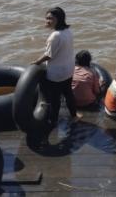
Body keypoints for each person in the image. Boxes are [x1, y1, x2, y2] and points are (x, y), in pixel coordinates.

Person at [31, 7, 78, 143]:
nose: (48, 21)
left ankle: (54, 121)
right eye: (47, 18)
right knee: (68, 93)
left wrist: (36, 62)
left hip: (56, 73)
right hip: (68, 69)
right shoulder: (68, 31)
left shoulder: (55, 36)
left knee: (55, 99)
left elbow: (48, 55)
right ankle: (74, 116)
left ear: (59, 19)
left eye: (51, 18)